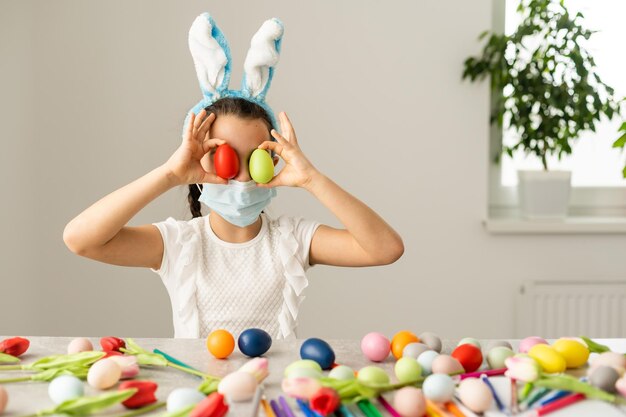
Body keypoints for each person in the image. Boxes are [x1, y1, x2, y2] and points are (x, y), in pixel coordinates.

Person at [63, 13, 403, 340]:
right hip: (202, 396)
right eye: (224, 158)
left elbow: (385, 249)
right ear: (200, 161)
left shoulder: (291, 240)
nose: (241, 177)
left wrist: (312, 179)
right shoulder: (178, 245)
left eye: (256, 159)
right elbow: (81, 239)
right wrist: (169, 174)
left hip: (275, 394)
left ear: (272, 159)